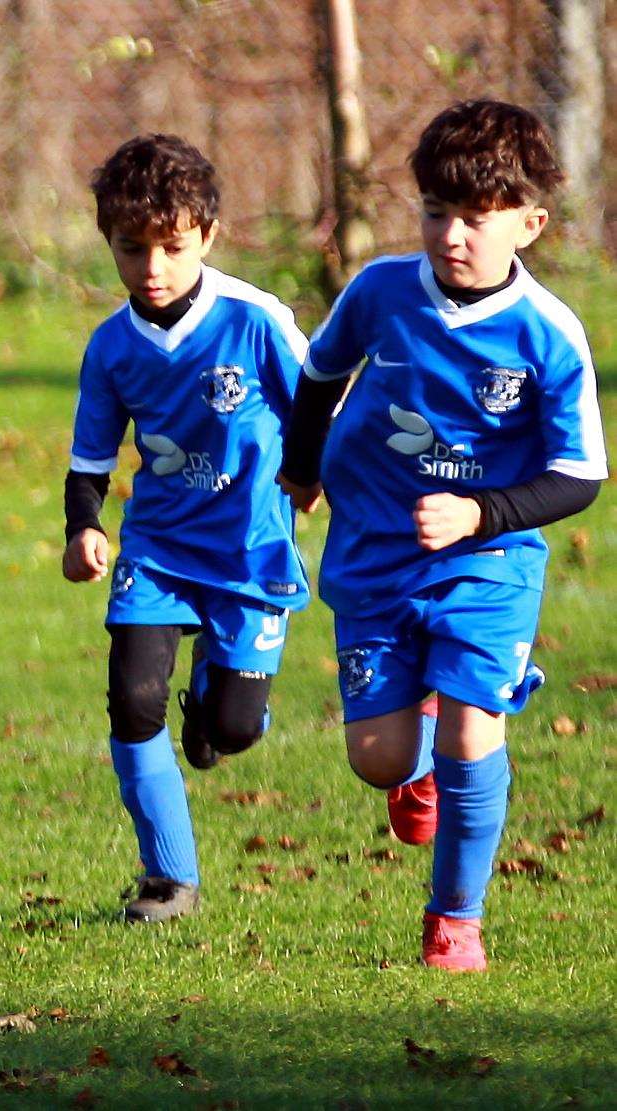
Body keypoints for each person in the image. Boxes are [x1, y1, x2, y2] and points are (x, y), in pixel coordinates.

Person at [281, 100, 604, 971]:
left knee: (473, 730)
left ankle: (454, 921)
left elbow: (580, 475)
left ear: (528, 224)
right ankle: (423, 729)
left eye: (474, 218)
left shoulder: (547, 334)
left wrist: (482, 512)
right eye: (434, 211)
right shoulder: (380, 292)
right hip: (374, 553)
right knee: (380, 761)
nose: (450, 235)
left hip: (486, 561)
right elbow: (317, 378)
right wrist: (301, 469)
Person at [63, 134, 310, 923]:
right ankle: (168, 877)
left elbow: (321, 405)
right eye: (131, 249)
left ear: (206, 235)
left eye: (171, 247)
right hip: (159, 548)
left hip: (249, 547)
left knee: (232, 731)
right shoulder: (110, 347)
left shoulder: (255, 320)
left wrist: (314, 473)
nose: (152, 268)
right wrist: (83, 527)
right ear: (109, 243)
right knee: (133, 700)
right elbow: (89, 456)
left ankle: (214, 697)